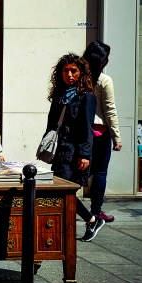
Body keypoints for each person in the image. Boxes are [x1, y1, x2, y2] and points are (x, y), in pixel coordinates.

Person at [44, 53, 100, 241]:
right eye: (66, 71)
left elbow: (87, 127)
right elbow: (52, 122)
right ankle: (88, 221)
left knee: (63, 191)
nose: (69, 75)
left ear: (81, 72)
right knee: (61, 190)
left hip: (75, 151)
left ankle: (90, 220)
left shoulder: (86, 96)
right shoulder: (60, 94)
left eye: (73, 71)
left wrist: (84, 154)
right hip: (61, 148)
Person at [83, 41, 122, 223]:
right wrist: (117, 137)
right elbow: (110, 109)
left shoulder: (78, 76)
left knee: (77, 172)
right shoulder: (104, 80)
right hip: (100, 131)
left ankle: (75, 209)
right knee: (99, 172)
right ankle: (96, 211)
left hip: (81, 130)